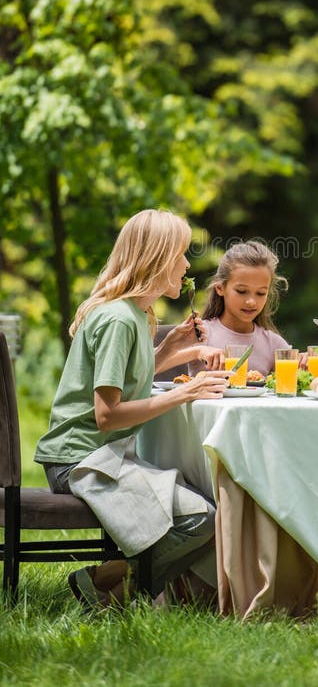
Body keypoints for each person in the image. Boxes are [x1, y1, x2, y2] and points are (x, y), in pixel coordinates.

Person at [34, 209, 230, 609]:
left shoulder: (136, 315)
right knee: (199, 519)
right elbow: (107, 414)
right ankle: (109, 590)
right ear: (158, 258)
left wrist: (172, 350)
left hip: (104, 456)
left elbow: (128, 381)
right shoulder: (119, 321)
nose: (187, 265)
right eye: (180, 254)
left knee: (204, 515)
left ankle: (105, 588)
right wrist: (185, 392)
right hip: (79, 461)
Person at [189, 240, 297, 377]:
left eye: (260, 293)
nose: (251, 302)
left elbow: (299, 380)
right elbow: (157, 362)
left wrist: (305, 363)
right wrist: (197, 351)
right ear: (220, 288)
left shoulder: (273, 344)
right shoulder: (201, 333)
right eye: (241, 291)